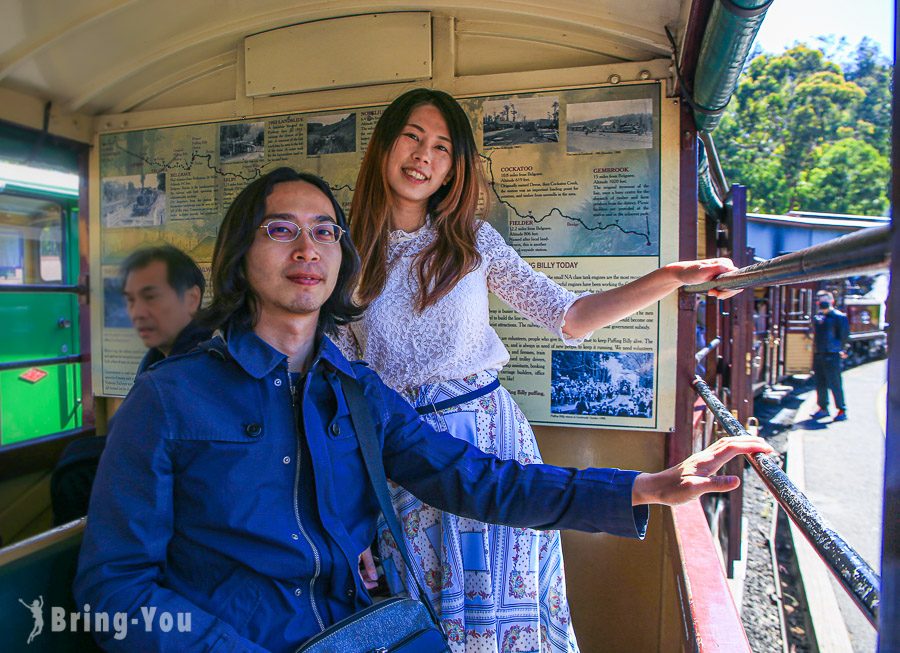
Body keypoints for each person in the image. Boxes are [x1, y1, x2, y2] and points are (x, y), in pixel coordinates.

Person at [74, 167, 772, 653]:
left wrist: (650, 485)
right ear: (240, 254)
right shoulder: (168, 398)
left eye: (324, 231)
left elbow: (478, 478)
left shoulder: (354, 388)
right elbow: (113, 588)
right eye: (281, 229)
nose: (308, 247)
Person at [339, 88, 742, 652]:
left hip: (489, 440)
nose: (422, 156)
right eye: (411, 137)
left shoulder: (473, 242)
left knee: (510, 610)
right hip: (401, 458)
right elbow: (335, 390)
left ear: (455, 168)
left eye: (442, 148)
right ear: (384, 145)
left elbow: (570, 316)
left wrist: (667, 278)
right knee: (426, 612)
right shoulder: (343, 256)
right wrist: (345, 518)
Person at [120, 244, 210, 374]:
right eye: (130, 300)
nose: (137, 313)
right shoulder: (157, 362)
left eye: (150, 297)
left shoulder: (205, 370)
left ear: (192, 299)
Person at [811, 290, 850, 421]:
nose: (823, 303)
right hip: (819, 354)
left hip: (833, 354)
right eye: (821, 301)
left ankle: (841, 409)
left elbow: (844, 336)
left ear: (832, 301)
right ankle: (823, 407)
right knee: (820, 383)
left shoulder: (839, 317)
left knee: (835, 383)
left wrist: (842, 350)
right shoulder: (818, 318)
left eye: (826, 300)